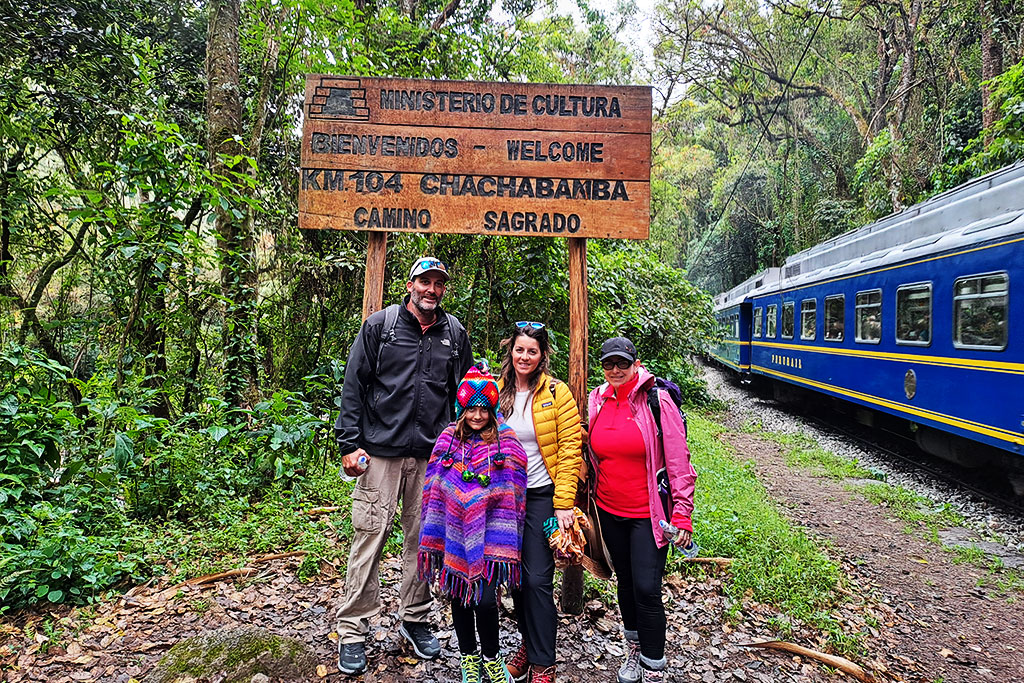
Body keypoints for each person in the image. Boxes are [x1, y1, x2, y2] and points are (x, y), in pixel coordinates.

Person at [333, 256, 474, 675]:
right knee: (370, 535)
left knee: (424, 540)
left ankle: (414, 617)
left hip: (433, 457)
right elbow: (354, 384)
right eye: (425, 282)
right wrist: (349, 444)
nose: (432, 290)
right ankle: (354, 629)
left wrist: (466, 448)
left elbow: (468, 396)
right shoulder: (382, 326)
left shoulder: (454, 333)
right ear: (410, 284)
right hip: (380, 452)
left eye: (438, 284)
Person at [587, 337, 697, 683]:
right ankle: (633, 650)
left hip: (650, 514)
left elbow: (679, 460)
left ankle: (654, 662)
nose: (615, 370)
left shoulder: (656, 400)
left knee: (646, 587)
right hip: (608, 509)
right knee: (624, 581)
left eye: (622, 363)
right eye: (609, 364)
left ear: (635, 363)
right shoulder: (596, 400)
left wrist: (683, 513)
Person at [419, 365, 528, 683]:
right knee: (459, 596)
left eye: (483, 408)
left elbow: (514, 487)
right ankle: (469, 660)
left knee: (484, 598)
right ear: (461, 409)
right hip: (453, 532)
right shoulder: (448, 440)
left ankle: (492, 659)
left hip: (492, 535)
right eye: (471, 408)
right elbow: (434, 486)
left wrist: (487, 502)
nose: (477, 415)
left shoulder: (505, 441)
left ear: (492, 409)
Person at [495, 322, 583, 683]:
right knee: (515, 578)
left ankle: (544, 662)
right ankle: (529, 647)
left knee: (536, 579)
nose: (525, 356)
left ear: (542, 355)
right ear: (511, 352)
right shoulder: (497, 391)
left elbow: (570, 448)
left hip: (543, 495)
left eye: (532, 351)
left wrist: (563, 502)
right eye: (520, 350)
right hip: (504, 498)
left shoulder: (556, 393)